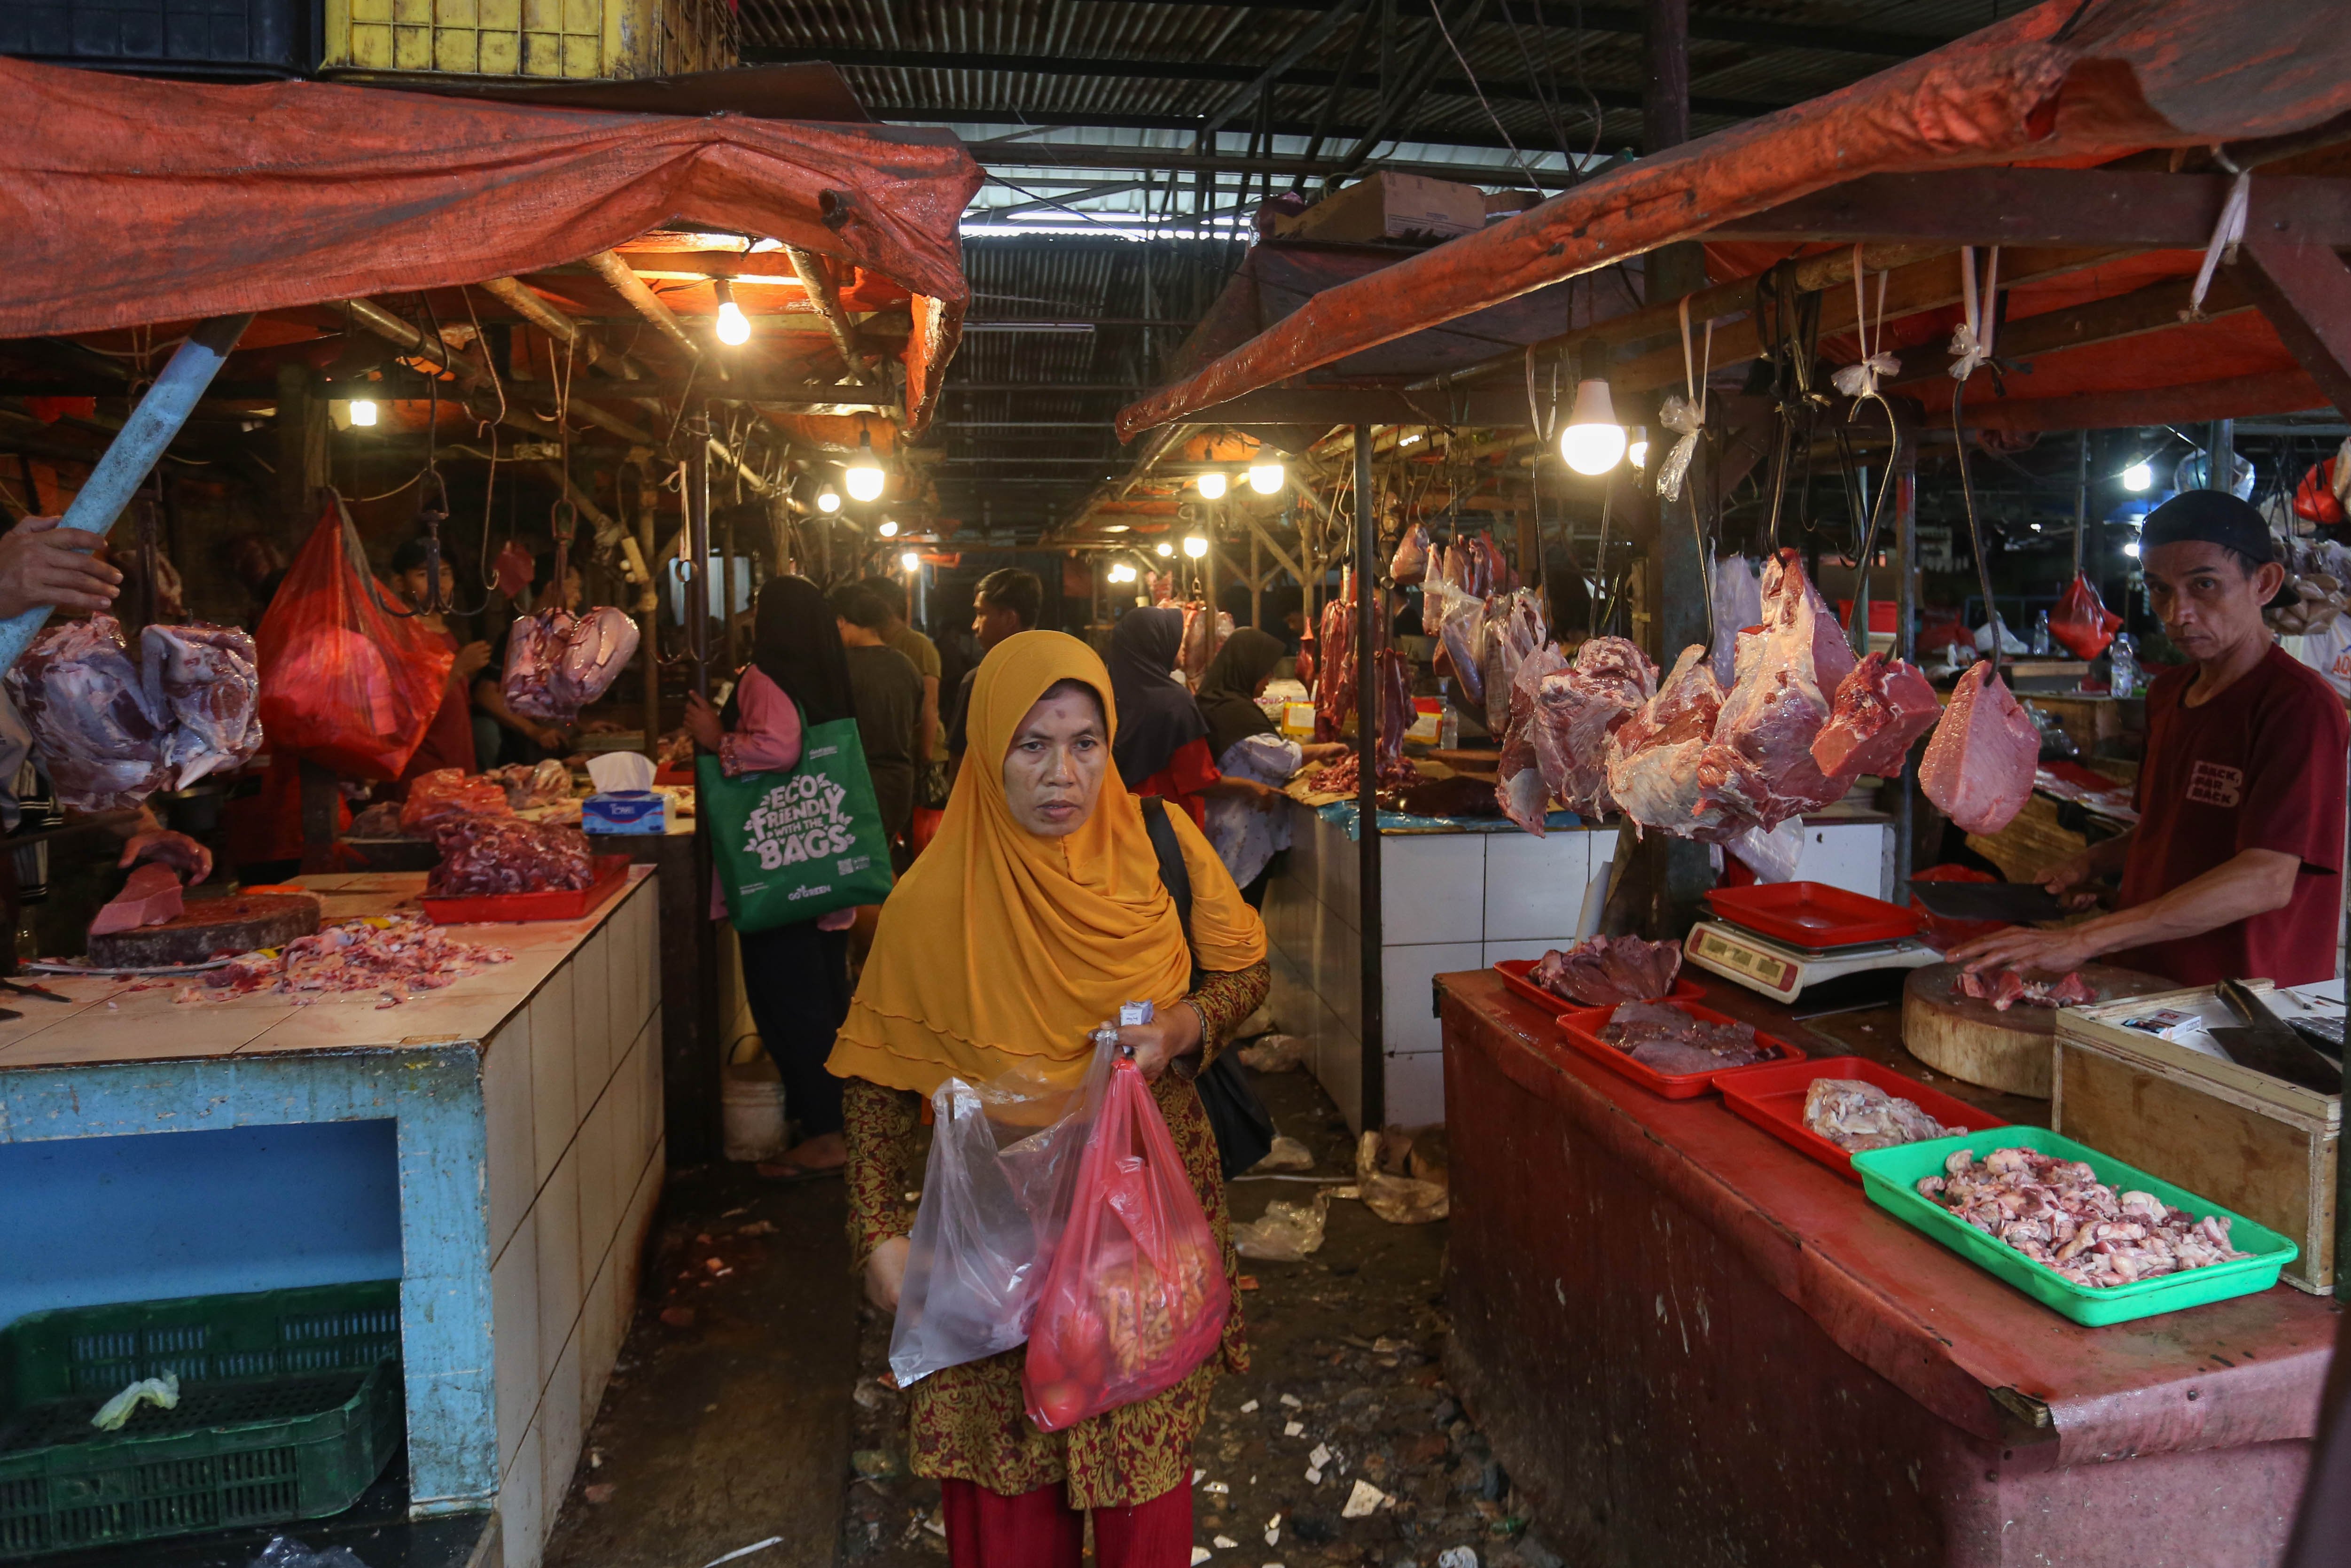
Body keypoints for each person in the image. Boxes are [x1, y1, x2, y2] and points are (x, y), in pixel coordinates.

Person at [830, 631, 1268, 1567]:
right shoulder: (931, 901)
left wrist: (1182, 1028)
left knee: (1142, 1481)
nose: (1060, 775)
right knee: (1008, 1491)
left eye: (1083, 743)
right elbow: (874, 1080)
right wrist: (877, 1231)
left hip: (1137, 1219)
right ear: (987, 750)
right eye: (1030, 745)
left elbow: (1244, 972)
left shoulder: (1160, 844)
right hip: (994, 1229)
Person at [1955, 491, 2349, 986]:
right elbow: (2166, 828)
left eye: (2204, 584)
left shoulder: (2298, 705)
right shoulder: (2166, 693)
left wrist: (2084, 939)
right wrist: (2091, 864)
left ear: (2264, 584)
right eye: (2159, 589)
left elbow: (2266, 877)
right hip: (2149, 977)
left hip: (2244, 994)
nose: (2176, 613)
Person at [681, 577, 861, 1181]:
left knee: (790, 1009)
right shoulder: (823, 675)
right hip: (818, 869)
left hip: (780, 877)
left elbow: (778, 749)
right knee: (823, 1002)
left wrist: (717, 739)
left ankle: (825, 1136)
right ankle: (836, 1122)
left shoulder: (764, 676)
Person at [1193, 629, 1347, 906]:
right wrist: (1325, 750)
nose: (1269, 680)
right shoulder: (1233, 712)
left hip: (1223, 828)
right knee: (1238, 917)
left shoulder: (1216, 701)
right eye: (1265, 672)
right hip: (1237, 836)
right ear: (1247, 669)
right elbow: (1279, 759)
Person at [388, 538, 491, 792]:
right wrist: (457, 670)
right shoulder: (398, 634)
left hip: (454, 761)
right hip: (421, 773)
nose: (439, 584)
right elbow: (407, 711)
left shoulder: (442, 630)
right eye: (424, 575)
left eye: (444, 573)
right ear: (400, 583)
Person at [828, 582, 924, 855]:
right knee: (880, 858)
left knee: (859, 865)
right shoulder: (906, 666)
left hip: (853, 783)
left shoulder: (839, 667)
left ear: (841, 621)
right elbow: (915, 723)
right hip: (898, 785)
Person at [472, 551, 579, 769]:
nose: (579, 597)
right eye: (575, 589)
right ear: (553, 588)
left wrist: (581, 725)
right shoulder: (522, 636)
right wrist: (534, 730)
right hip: (513, 754)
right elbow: (485, 693)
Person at [947, 567, 1043, 769]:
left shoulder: (981, 680)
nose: (975, 626)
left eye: (981, 614)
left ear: (1010, 619)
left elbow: (961, 760)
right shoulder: (1059, 674)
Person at [861, 574, 942, 769]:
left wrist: (926, 756)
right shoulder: (872, 644)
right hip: (894, 752)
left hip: (918, 752)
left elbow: (929, 703)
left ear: (883, 607)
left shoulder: (917, 644)